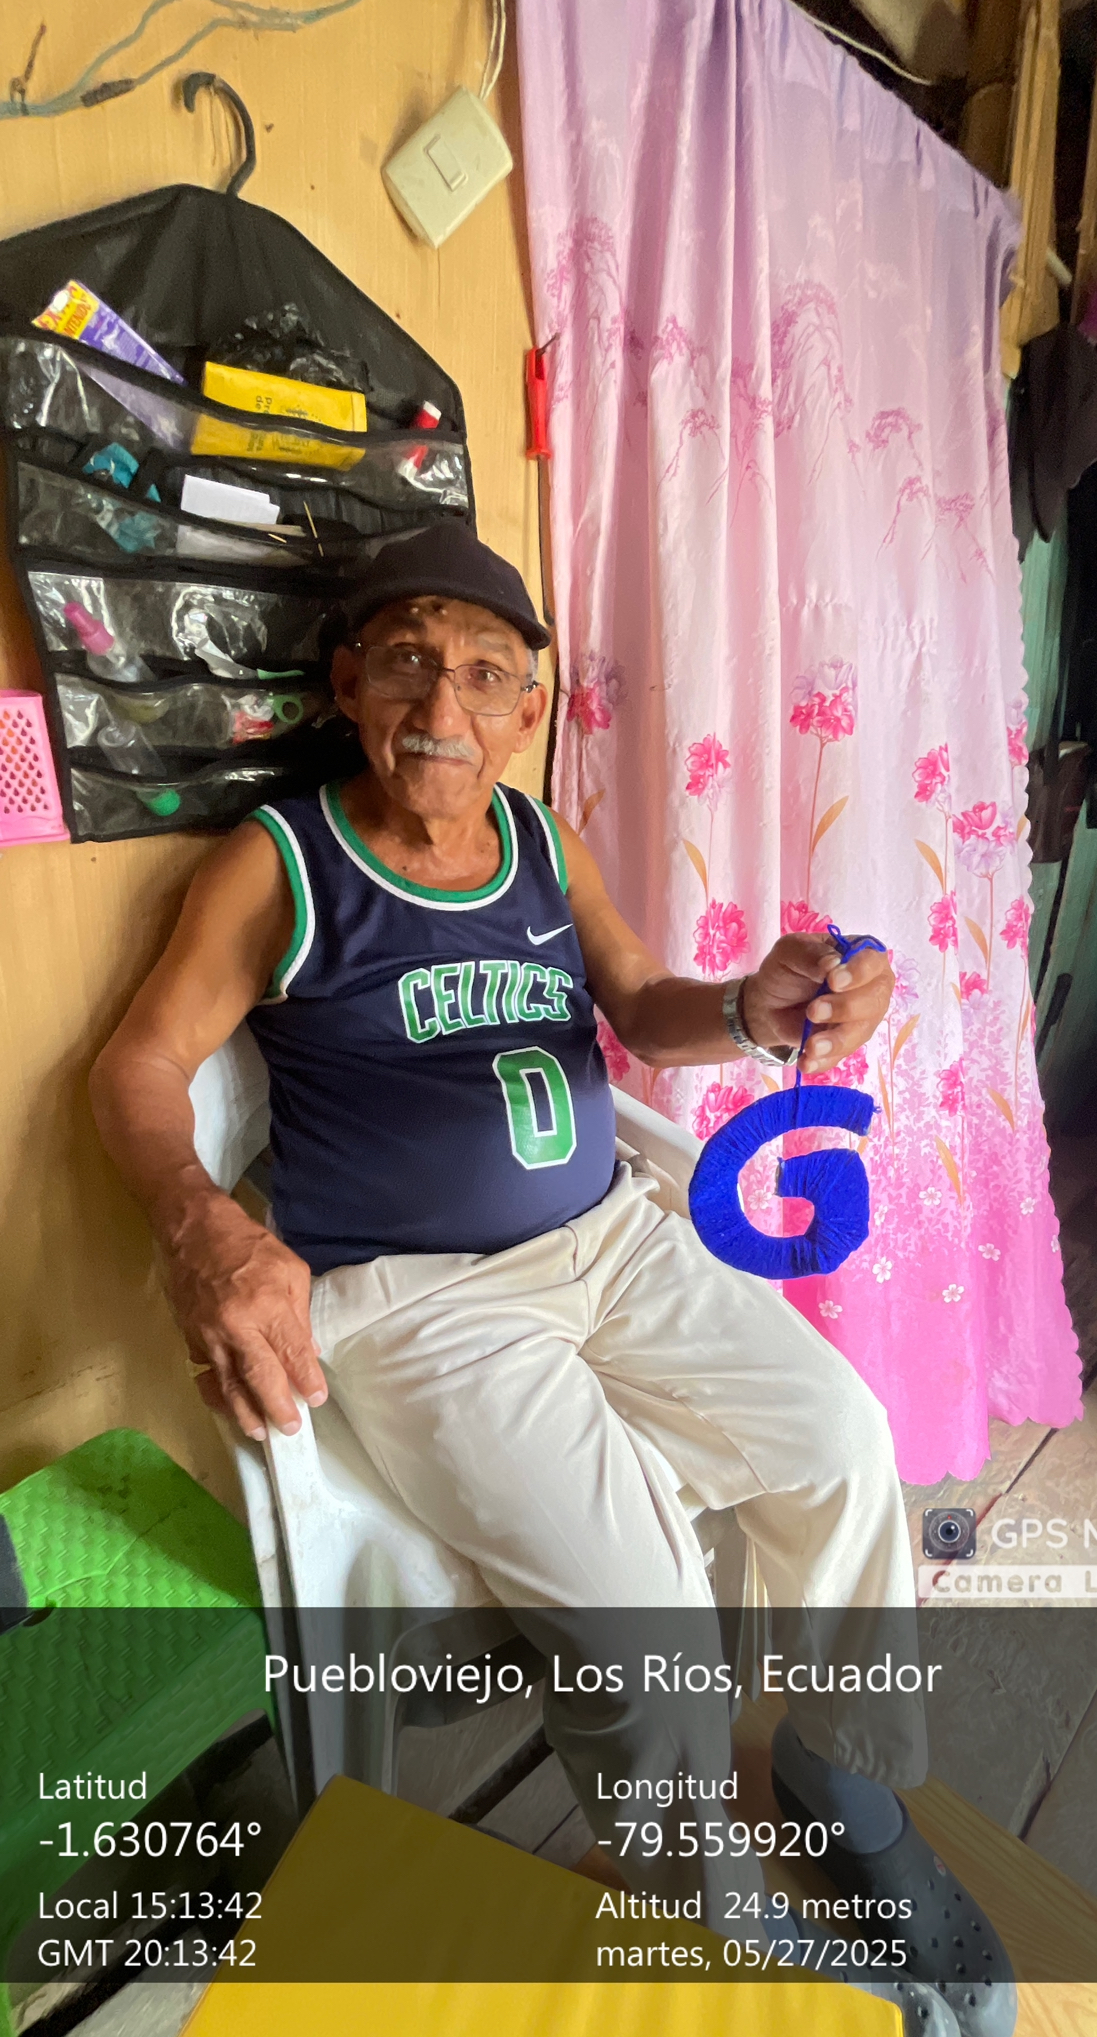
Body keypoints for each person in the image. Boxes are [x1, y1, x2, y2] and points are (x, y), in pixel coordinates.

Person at [90, 521, 1012, 2036]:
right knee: (651, 1637)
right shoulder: (284, 862)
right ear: (346, 683)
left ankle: (837, 1765)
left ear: (530, 707)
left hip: (611, 1244)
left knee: (841, 1444)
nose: (441, 704)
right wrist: (202, 1225)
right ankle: (716, 1940)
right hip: (423, 1305)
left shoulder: (537, 841)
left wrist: (752, 1005)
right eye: (406, 661)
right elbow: (136, 1066)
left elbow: (641, 1006)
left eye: (483, 672)